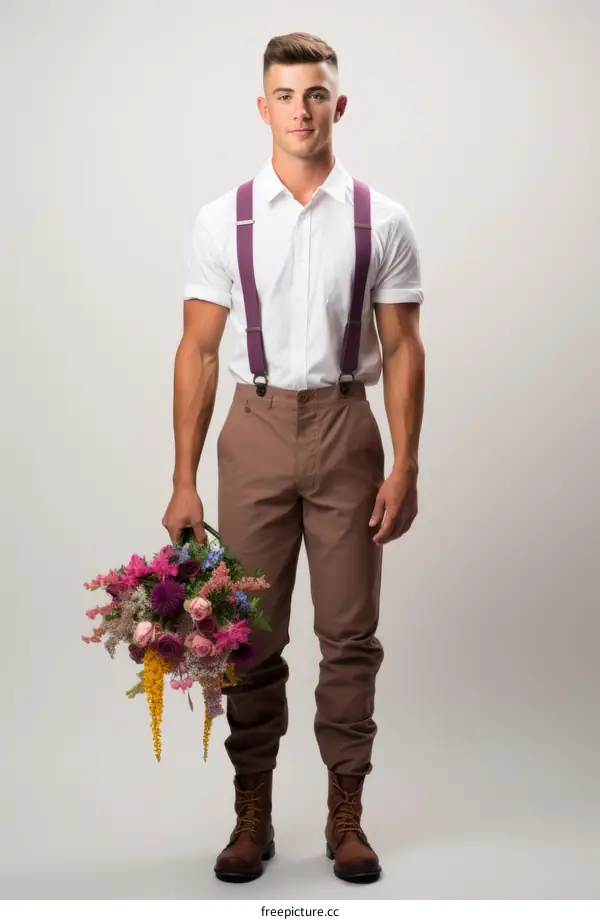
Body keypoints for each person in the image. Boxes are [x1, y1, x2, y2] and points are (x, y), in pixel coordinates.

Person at [162, 31, 425, 885]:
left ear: (337, 104)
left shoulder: (382, 219)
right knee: (248, 636)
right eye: (285, 95)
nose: (301, 110)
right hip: (257, 428)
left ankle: (346, 815)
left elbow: (405, 347)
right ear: (263, 107)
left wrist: (406, 465)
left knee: (350, 634)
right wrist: (182, 480)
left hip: (347, 427)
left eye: (315, 94)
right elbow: (199, 351)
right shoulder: (222, 218)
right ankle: (252, 813)